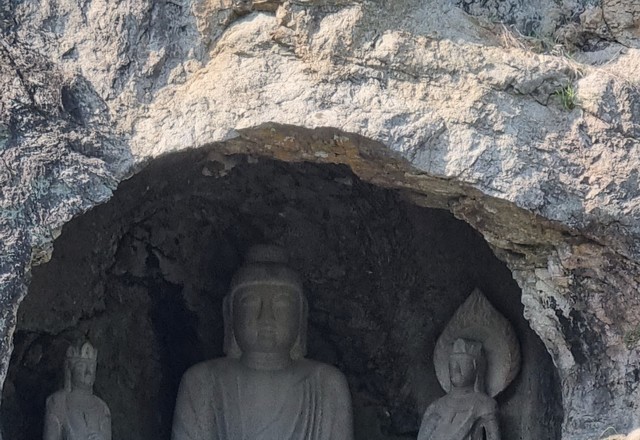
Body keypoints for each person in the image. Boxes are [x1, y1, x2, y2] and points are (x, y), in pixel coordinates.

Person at [171, 245, 353, 440]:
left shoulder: (326, 385)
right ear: (229, 313)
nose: (266, 317)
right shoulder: (202, 382)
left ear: (301, 315)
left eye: (282, 303)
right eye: (250, 302)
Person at [418, 338, 500, 440]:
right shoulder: (435, 406)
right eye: (452, 363)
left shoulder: (485, 405)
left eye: (463, 363)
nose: (456, 368)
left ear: (476, 368)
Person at [44, 341, 111, 440]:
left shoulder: (102, 408)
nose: (88, 372)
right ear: (70, 369)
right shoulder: (57, 402)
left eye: (92, 367)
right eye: (81, 366)